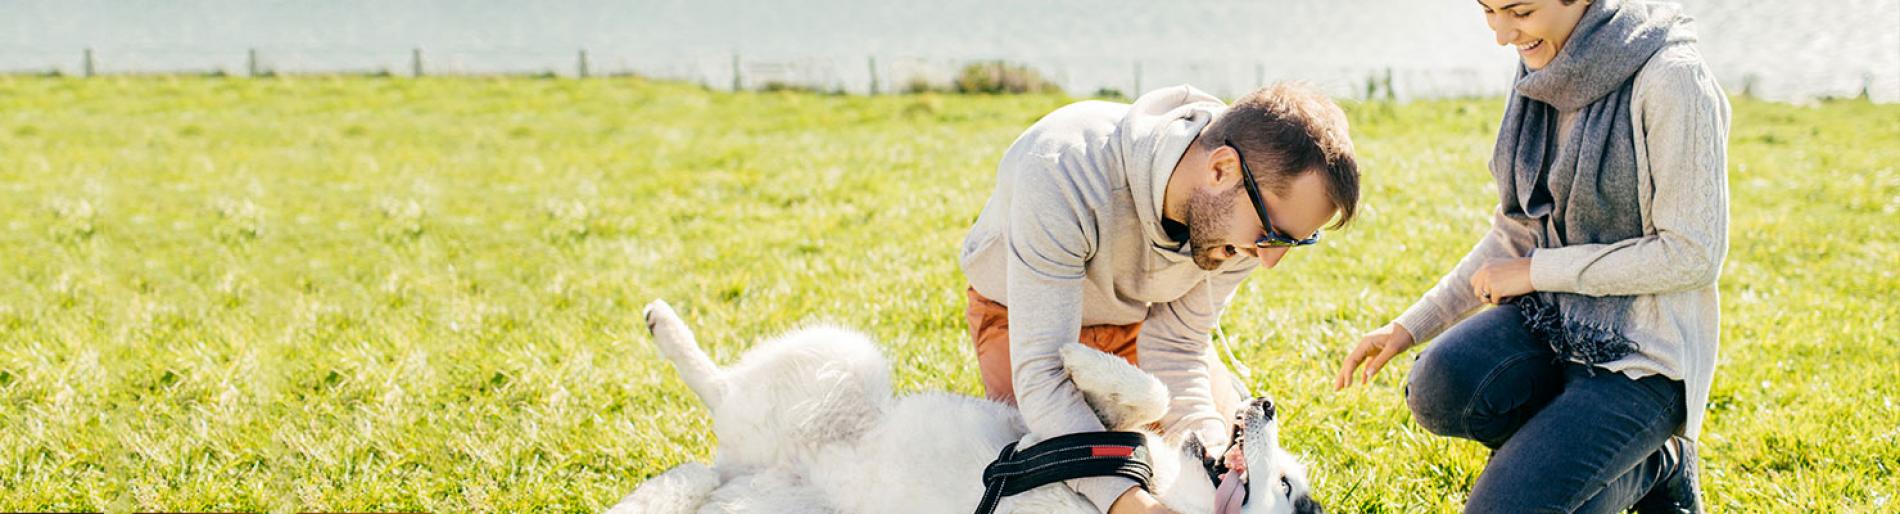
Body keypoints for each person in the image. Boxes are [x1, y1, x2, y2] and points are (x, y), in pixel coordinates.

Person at [1335, 1, 1729, 513]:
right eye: (1489, 11)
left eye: (1519, 11)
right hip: (1554, 323)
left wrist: (1537, 271)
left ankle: (1660, 463)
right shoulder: (1543, 68)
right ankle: (1591, 456)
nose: (1502, 34)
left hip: (1643, 354)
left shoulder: (1671, 78)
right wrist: (1409, 326)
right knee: (1438, 385)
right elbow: (1517, 230)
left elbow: (1692, 254)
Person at [959, 82, 1359, 514]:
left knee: (1215, 455)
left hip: (1140, 325)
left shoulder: (1242, 224)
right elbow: (1043, 376)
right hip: (1020, 319)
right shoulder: (1063, 169)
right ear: (1221, 169)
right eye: (1272, 233)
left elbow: (1177, 344)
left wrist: (1216, 463)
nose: (1269, 260)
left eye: (1294, 242)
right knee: (1050, 476)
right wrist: (1131, 504)